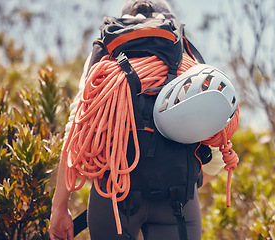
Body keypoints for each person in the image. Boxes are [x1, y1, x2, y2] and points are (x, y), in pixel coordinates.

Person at [49, 1, 228, 239]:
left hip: (112, 194)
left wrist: (59, 207)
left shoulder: (107, 56)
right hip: (177, 201)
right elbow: (214, 139)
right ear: (169, 19)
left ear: (124, 20)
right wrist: (178, 179)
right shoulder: (186, 57)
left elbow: (77, 130)